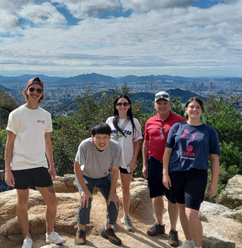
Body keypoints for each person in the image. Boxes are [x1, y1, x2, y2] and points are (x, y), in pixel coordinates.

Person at [4, 77, 66, 248]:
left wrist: (51, 165)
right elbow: (9, 143)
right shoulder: (15, 114)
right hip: (20, 164)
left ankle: (50, 233)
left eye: (38, 90)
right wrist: (7, 169)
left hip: (40, 164)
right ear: (26, 91)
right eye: (32, 89)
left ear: (42, 94)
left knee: (52, 201)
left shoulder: (45, 115)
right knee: (22, 202)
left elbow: (48, 142)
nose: (35, 93)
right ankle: (27, 238)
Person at [162, 97, 221, 248]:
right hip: (176, 173)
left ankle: (198, 246)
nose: (194, 110)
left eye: (197, 107)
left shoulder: (209, 131)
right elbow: (167, 152)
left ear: (202, 111)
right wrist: (165, 173)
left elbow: (214, 158)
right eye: (191, 107)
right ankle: (189, 241)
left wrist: (214, 183)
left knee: (191, 213)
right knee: (182, 208)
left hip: (197, 174)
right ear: (186, 109)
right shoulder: (177, 127)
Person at [143, 91, 185, 247]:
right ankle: (159, 224)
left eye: (164, 103)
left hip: (173, 165)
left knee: (172, 199)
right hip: (154, 162)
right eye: (159, 103)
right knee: (156, 196)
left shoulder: (180, 121)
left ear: (170, 104)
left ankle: (174, 231)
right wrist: (145, 164)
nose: (162, 106)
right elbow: (146, 144)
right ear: (154, 105)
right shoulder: (149, 122)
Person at [74, 122, 123, 246]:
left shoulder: (116, 147)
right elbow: (77, 167)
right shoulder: (85, 145)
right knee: (85, 200)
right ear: (92, 137)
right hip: (86, 175)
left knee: (114, 201)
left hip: (105, 176)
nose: (102, 141)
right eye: (98, 137)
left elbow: (116, 170)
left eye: (105, 137)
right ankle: (81, 230)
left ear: (110, 137)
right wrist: (85, 191)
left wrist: (112, 193)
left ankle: (107, 228)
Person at [105, 94, 142, 231]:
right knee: (111, 189)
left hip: (126, 161)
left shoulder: (134, 122)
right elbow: (105, 141)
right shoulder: (110, 120)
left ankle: (126, 216)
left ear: (129, 106)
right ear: (115, 106)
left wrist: (133, 161)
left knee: (125, 189)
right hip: (112, 162)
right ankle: (112, 217)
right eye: (119, 104)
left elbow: (137, 143)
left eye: (125, 104)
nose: (122, 106)